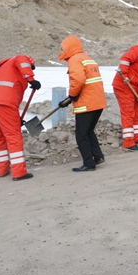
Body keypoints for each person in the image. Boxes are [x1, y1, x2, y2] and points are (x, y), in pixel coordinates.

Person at [0, 55, 40, 181]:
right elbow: (22, 60)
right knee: (13, 136)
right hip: (4, 102)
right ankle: (19, 173)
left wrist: (15, 118)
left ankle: (1, 170)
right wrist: (31, 79)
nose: (31, 70)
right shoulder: (19, 59)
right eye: (31, 68)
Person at [57, 35, 107, 172]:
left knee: (81, 134)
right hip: (98, 101)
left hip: (86, 103)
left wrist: (72, 95)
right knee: (89, 131)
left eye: (63, 48)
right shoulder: (87, 58)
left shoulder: (74, 59)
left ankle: (89, 163)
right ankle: (97, 156)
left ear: (69, 47)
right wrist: (70, 99)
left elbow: (78, 79)